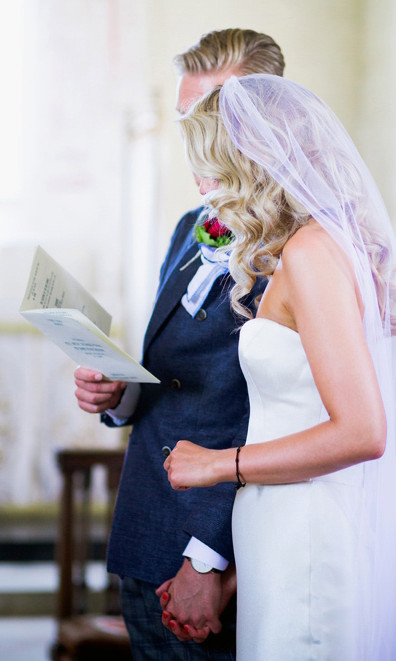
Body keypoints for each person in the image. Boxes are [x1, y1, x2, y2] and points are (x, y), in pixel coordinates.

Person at [164, 74, 396, 659]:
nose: (200, 186)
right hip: (287, 530)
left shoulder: (313, 253)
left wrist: (217, 465)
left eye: (210, 167)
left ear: (252, 167)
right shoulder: (314, 247)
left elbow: (363, 432)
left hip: (309, 535)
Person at [72, 29, 282, 657]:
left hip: (213, 549)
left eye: (214, 112)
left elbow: (264, 411)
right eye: (187, 116)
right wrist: (120, 393)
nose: (198, 135)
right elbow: (179, 371)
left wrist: (209, 558)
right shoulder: (191, 227)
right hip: (146, 519)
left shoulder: (294, 246)